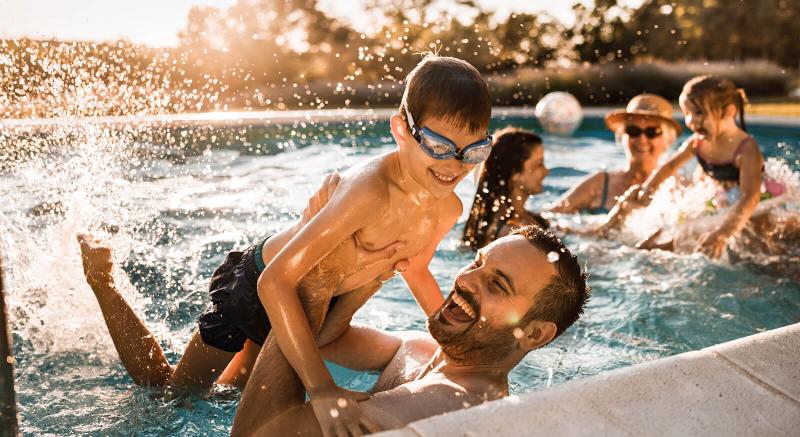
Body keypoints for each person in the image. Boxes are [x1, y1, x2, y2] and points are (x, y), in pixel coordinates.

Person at [80, 55, 494, 436]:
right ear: (401, 129)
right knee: (173, 394)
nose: (453, 166)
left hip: (312, 305)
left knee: (232, 393)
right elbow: (275, 282)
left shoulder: (446, 208)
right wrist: (323, 388)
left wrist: (458, 343)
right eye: (439, 147)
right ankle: (102, 280)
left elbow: (415, 269)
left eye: (473, 151)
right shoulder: (369, 190)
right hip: (257, 286)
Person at [234, 225, 590, 436]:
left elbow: (257, 434)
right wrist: (376, 265)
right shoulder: (423, 350)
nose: (464, 280)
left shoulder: (448, 405)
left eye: (497, 284)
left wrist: (315, 276)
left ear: (535, 335)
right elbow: (326, 341)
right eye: (477, 263)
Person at [602, 76, 768, 258]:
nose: (691, 121)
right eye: (687, 113)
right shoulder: (697, 143)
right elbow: (670, 166)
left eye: (698, 113)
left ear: (728, 112)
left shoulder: (746, 150)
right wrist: (649, 188)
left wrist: (722, 234)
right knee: (687, 229)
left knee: (760, 245)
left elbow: (750, 197)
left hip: (760, 200)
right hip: (725, 196)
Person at [548, 94, 680, 215]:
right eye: (633, 131)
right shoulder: (600, 183)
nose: (642, 139)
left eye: (652, 132)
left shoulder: (678, 188)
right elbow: (549, 217)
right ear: (622, 136)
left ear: (668, 140)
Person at [462, 128, 549, 250]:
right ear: (515, 175)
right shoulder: (508, 234)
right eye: (539, 164)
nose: (546, 171)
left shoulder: (530, 217)